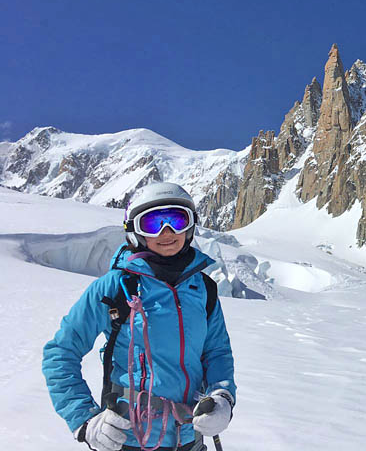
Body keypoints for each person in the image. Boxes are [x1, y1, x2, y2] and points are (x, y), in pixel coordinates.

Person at [43, 182, 236, 451]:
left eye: (177, 220)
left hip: (190, 438)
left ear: (190, 226)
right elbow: (60, 352)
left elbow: (216, 352)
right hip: (128, 438)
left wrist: (223, 397)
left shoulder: (203, 289)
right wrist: (83, 418)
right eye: (154, 222)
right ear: (135, 229)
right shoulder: (114, 287)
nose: (166, 232)